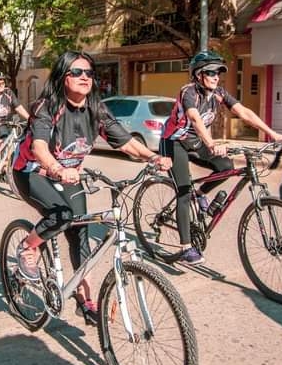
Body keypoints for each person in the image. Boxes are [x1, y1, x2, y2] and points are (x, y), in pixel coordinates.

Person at [12, 50, 172, 325]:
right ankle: (28, 246)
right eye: (76, 72)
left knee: (80, 233)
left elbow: (125, 142)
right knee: (60, 216)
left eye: (88, 72)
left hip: (69, 175)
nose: (84, 77)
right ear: (63, 77)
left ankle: (85, 301)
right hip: (32, 171)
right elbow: (39, 147)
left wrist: (154, 157)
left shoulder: (96, 108)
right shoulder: (47, 106)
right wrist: (58, 169)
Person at [161, 50, 282, 264]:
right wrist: (211, 143)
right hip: (174, 142)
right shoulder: (189, 92)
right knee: (184, 191)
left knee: (227, 167)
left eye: (218, 72)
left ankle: (201, 193)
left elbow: (244, 112)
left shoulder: (219, 93)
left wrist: (273, 133)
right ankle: (186, 247)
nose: (216, 76)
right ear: (198, 74)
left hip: (197, 142)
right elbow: (194, 118)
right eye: (211, 72)